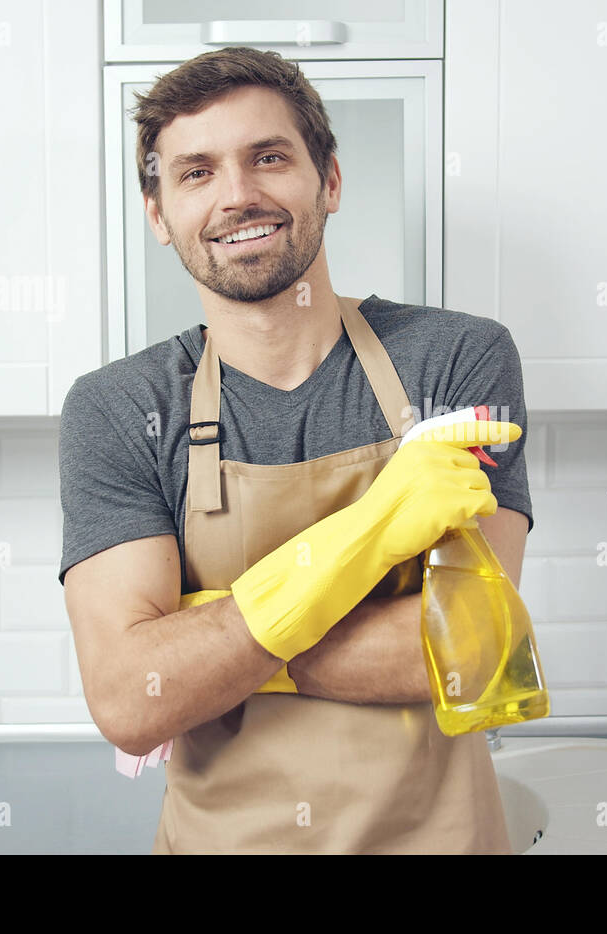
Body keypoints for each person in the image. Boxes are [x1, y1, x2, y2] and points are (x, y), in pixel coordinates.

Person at [57, 46, 534, 853]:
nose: (238, 194)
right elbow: (132, 701)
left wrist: (209, 637)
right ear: (158, 212)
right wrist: (378, 524)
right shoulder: (121, 407)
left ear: (330, 181)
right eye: (196, 172)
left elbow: (472, 653)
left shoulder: (453, 359)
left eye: (269, 157)